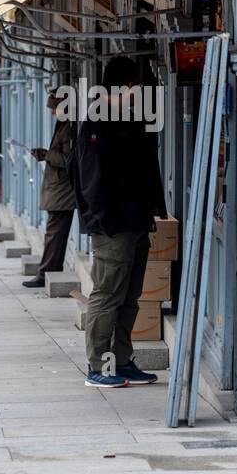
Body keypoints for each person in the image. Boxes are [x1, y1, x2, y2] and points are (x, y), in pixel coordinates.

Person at [67, 57, 167, 390]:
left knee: (130, 297)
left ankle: (122, 360)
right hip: (113, 228)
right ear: (125, 86)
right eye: (136, 85)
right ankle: (98, 365)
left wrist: (153, 211)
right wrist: (105, 222)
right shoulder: (96, 123)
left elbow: (145, 167)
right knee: (107, 295)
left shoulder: (132, 118)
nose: (139, 91)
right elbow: (88, 180)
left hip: (137, 222)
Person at [24, 90, 76, 288]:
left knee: (54, 233)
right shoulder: (63, 124)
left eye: (55, 108)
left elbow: (68, 159)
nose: (53, 112)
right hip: (58, 188)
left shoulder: (69, 127)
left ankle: (46, 273)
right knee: (55, 233)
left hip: (62, 190)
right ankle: (48, 271)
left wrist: (46, 154)